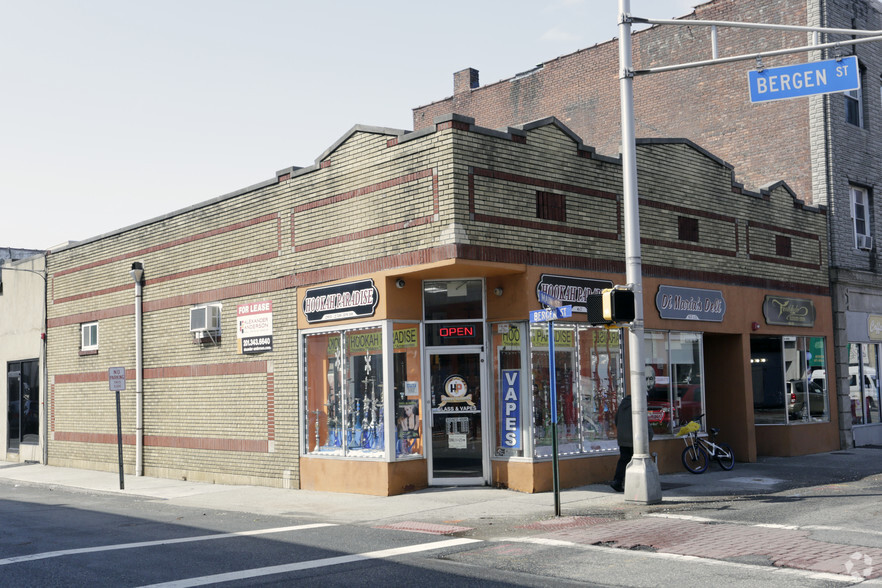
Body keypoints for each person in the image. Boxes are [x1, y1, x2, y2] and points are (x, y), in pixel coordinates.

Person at [610, 394, 652, 492]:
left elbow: (616, 420)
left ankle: (617, 481)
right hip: (635, 438)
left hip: (622, 438)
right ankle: (636, 484)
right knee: (638, 461)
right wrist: (649, 435)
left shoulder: (622, 406)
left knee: (624, 460)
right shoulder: (638, 406)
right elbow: (644, 422)